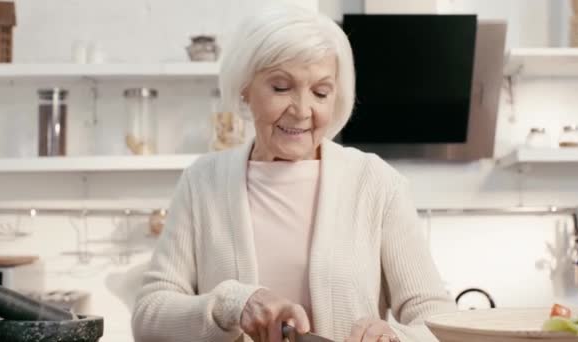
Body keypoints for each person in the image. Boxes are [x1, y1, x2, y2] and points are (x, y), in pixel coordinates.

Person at [132, 4, 456, 342]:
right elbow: (148, 315)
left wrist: (396, 337)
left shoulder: (375, 183)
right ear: (246, 88)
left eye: (320, 92)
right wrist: (231, 305)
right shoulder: (203, 182)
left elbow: (438, 319)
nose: (302, 111)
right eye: (281, 87)